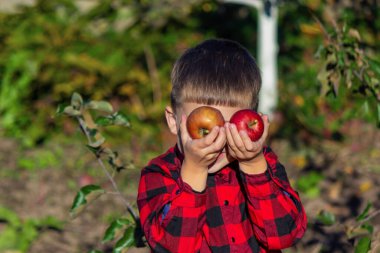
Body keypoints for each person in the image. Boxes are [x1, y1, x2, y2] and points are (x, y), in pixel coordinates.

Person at [137, 38, 307, 253]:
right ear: (173, 121)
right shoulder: (160, 174)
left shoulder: (263, 165)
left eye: (229, 128)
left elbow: (285, 235)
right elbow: (172, 247)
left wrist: (254, 166)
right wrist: (194, 170)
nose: (215, 141)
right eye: (204, 129)